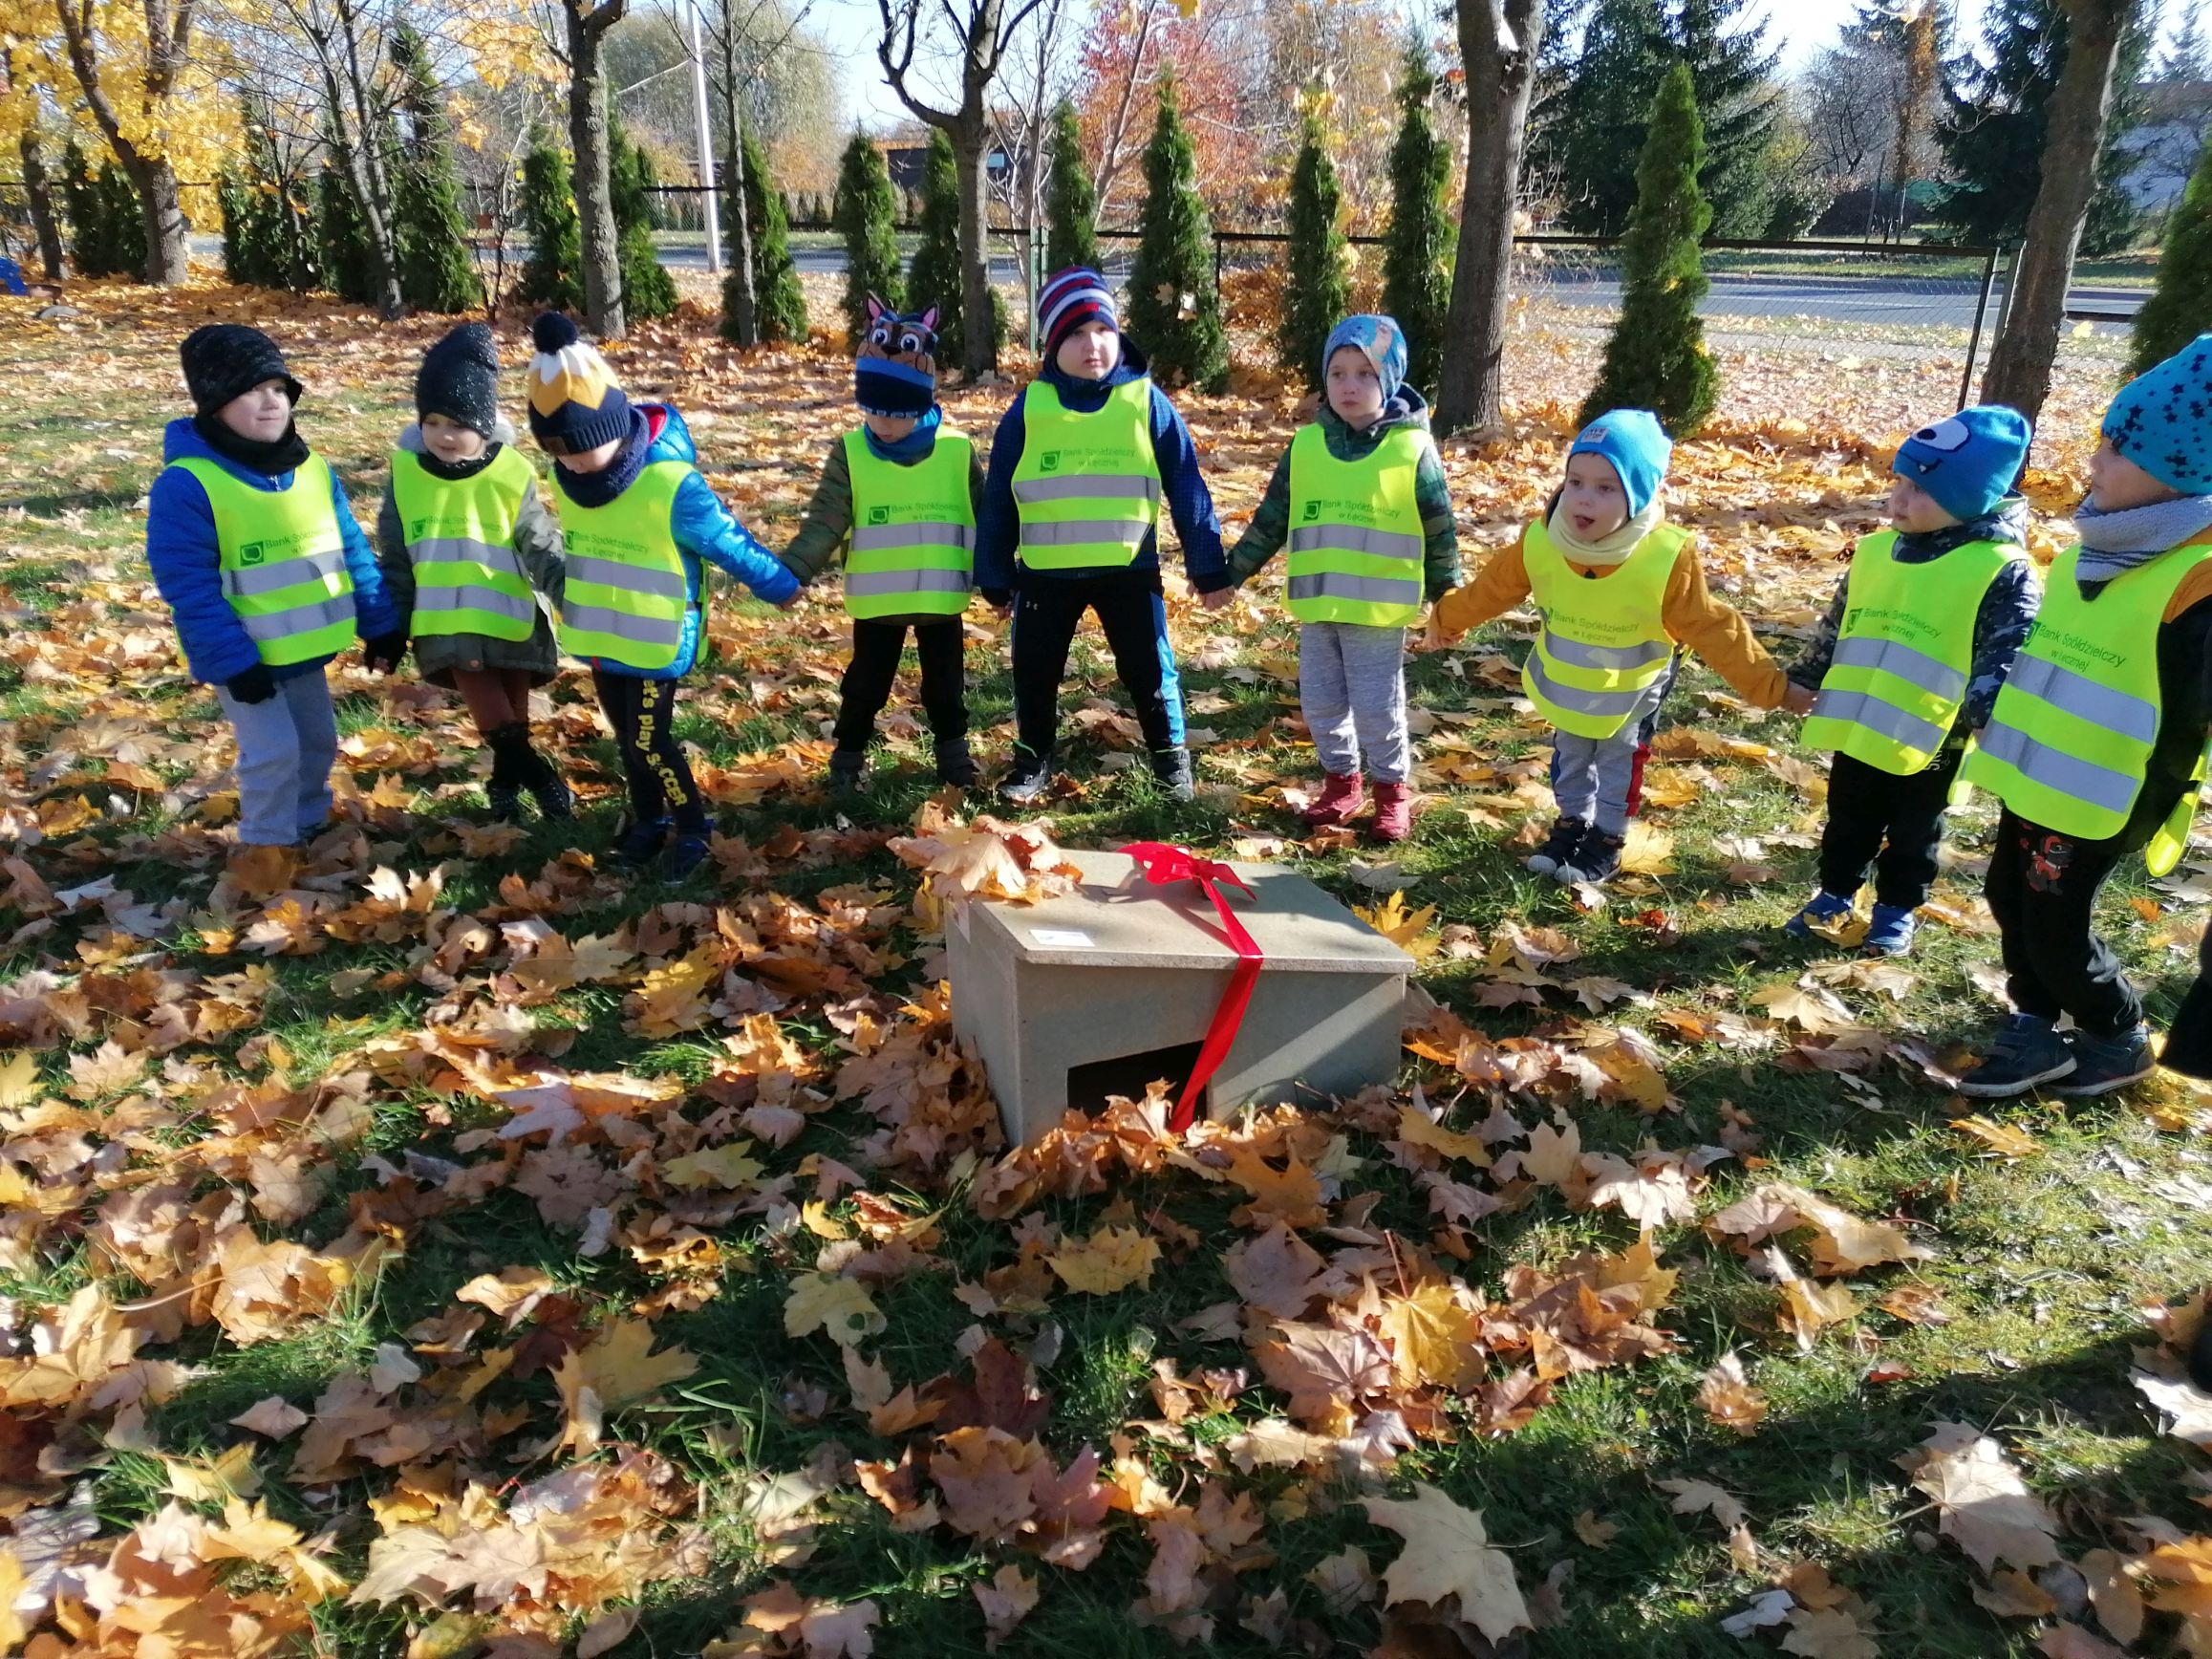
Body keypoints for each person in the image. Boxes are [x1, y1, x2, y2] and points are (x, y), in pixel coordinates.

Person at [1955, 337, 2212, 1098]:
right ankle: (2033, 1019)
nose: (2094, 460)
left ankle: (2114, 1030)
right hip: (2039, 769)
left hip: (2108, 788)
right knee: (2008, 892)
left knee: (2053, 919)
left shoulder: (2195, 582)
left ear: (2179, 472)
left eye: (2117, 448)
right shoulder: (2087, 551)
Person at [1427, 410, 1810, 884]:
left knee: (1616, 756)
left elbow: (1713, 627)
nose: (1584, 498)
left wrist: (1771, 688)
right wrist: (1447, 619)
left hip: (1634, 686)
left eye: (1607, 488)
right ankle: (1572, 824)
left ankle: (1606, 839)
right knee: (1569, 748)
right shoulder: (1543, 540)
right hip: (1568, 681)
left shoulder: (1664, 556)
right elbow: (1493, 588)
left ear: (1639, 494)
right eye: (1576, 482)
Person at [526, 311, 800, 878]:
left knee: (652, 741)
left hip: (656, 638)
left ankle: (693, 825)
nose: (571, 461)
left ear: (610, 429)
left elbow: (727, 541)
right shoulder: (568, 480)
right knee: (627, 741)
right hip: (603, 634)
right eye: (558, 451)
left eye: (579, 447)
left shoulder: (671, 485)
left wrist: (778, 585)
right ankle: (648, 820)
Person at [145, 324, 405, 873]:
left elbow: (349, 546)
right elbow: (188, 585)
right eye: (251, 390)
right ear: (216, 405)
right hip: (246, 655)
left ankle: (305, 824)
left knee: (316, 741)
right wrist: (233, 662)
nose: (271, 401)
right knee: (273, 752)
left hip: (304, 646)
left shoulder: (311, 469)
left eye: (279, 388)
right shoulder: (189, 484)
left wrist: (380, 620)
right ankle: (265, 846)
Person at [1786, 406, 2040, 957]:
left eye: (1920, 489)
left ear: (1969, 498)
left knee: (1915, 829)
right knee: (1848, 815)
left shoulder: (2001, 567)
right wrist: (1808, 673)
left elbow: (2010, 647)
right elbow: (1839, 620)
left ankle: (1897, 908)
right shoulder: (1877, 552)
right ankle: (1834, 893)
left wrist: (1989, 709)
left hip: (1933, 736)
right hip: (1862, 719)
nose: (1898, 499)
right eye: (1898, 482)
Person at [974, 266, 1230, 804]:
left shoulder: (1146, 402)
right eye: (1074, 333)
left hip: (1129, 570)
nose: (1092, 344)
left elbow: (1186, 483)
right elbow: (999, 496)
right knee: (1035, 673)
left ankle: (1170, 759)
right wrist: (995, 574)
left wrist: (1207, 566)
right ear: (1050, 344)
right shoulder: (1027, 410)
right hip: (1044, 575)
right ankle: (1032, 758)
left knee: (1149, 669)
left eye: (1103, 330)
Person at [1215, 314, 1459, 841]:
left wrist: (1448, 600)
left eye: (1365, 374)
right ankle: (1342, 783)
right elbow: (1271, 519)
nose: (1349, 386)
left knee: (1377, 708)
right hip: (1319, 605)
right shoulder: (1305, 447)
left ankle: (1392, 792)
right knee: (1321, 704)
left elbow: (1440, 529)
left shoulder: (1412, 449)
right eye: (1338, 373)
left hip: (1377, 613)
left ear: (1389, 381)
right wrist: (1229, 575)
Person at [779, 297, 982, 789]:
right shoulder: (851, 452)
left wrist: (1001, 577)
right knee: (864, 687)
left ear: (924, 404)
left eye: (895, 414)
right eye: (871, 411)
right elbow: (826, 518)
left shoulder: (957, 451)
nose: (882, 424)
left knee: (946, 689)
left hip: (940, 599)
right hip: (878, 603)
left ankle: (954, 757)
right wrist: (792, 571)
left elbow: (988, 517)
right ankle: (847, 759)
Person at [376, 323, 571, 823]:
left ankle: (504, 792)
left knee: (514, 716)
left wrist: (571, 595)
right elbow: (396, 557)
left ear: (484, 426)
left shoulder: (510, 473)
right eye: (434, 420)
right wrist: (391, 626)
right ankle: (546, 783)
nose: (444, 434)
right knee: (494, 719)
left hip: (511, 615)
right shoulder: (404, 476)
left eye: (459, 423)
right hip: (447, 622)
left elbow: (539, 541)